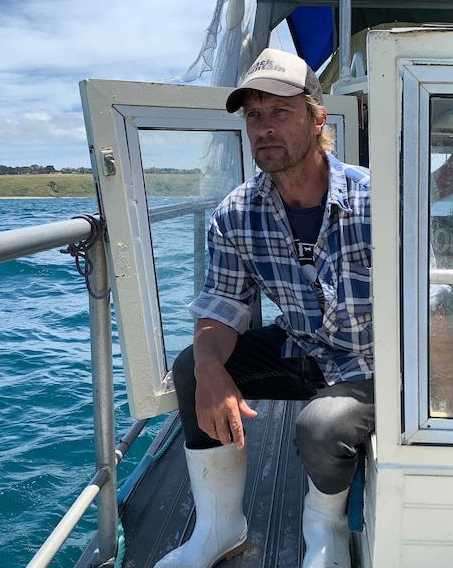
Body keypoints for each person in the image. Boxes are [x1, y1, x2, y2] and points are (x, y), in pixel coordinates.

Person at [155, 47, 374, 568]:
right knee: (192, 366)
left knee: (320, 427)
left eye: (280, 111)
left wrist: (441, 412)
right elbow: (225, 304)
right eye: (254, 115)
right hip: (301, 345)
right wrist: (210, 366)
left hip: (370, 362)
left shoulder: (378, 199)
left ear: (318, 118)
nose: (264, 128)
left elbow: (429, 314)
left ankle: (326, 529)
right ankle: (220, 527)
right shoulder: (236, 213)